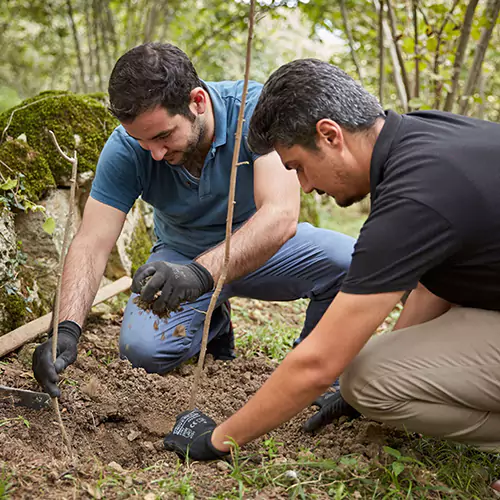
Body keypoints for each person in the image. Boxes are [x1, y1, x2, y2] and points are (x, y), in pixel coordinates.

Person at [162, 58, 500, 462]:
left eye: (299, 168)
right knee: (376, 366)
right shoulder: (425, 135)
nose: (304, 186)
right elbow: (435, 278)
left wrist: (218, 439)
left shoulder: (412, 199)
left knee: (366, 378)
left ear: (329, 135)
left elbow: (319, 363)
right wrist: (389, 361)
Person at [32, 45, 355, 397]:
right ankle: (213, 322)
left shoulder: (254, 110)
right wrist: (66, 328)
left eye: (163, 136)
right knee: (143, 351)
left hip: (261, 247)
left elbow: (279, 216)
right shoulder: (127, 147)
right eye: (142, 141)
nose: (154, 153)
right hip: (180, 258)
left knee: (351, 261)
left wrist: (201, 275)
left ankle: (314, 364)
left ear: (197, 101)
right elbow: (92, 242)